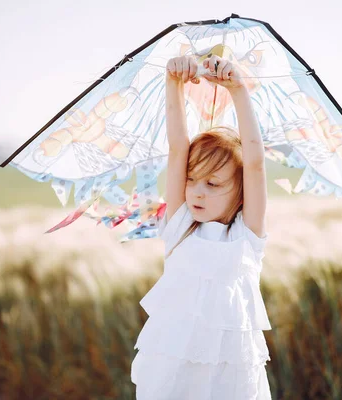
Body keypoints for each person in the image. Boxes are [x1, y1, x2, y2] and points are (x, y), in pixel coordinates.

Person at [130, 53, 273, 399]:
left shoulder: (246, 237)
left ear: (239, 193)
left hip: (231, 379)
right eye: (192, 180)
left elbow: (254, 163)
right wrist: (173, 83)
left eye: (212, 184)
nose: (196, 191)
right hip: (175, 373)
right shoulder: (181, 226)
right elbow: (178, 148)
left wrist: (238, 90)